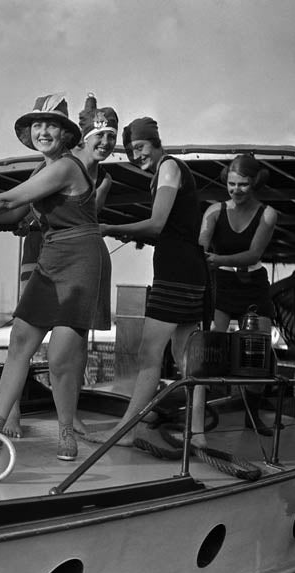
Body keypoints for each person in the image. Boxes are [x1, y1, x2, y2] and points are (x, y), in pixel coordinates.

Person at [0, 93, 109, 461]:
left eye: (52, 126)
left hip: (81, 258)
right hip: (52, 255)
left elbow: (6, 202)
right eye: (37, 125)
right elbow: (13, 217)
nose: (43, 131)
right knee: (20, 342)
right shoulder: (41, 172)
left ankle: (65, 430)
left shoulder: (66, 167)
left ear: (65, 133)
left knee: (60, 356)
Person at [3, 93, 117, 440]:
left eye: (111, 137)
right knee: (23, 335)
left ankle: (69, 416)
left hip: (75, 253)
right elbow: (19, 211)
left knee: (74, 342)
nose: (105, 143)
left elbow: (86, 216)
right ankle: (11, 413)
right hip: (39, 249)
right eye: (99, 135)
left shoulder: (93, 174)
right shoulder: (48, 167)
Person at [98, 117, 208, 448]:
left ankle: (127, 431)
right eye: (132, 151)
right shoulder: (164, 173)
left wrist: (111, 228)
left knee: (149, 353)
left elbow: (158, 223)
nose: (137, 155)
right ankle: (198, 432)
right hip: (187, 270)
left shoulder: (170, 167)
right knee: (186, 356)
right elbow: (173, 226)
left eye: (141, 147)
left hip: (176, 273)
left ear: (156, 143)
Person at [199, 154, 278, 435]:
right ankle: (202, 411)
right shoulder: (214, 211)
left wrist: (216, 259)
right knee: (212, 344)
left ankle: (252, 414)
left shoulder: (268, 214)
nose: (236, 190)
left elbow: (254, 253)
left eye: (243, 184)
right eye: (232, 184)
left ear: (254, 182)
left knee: (257, 351)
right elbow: (202, 245)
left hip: (253, 282)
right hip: (222, 283)